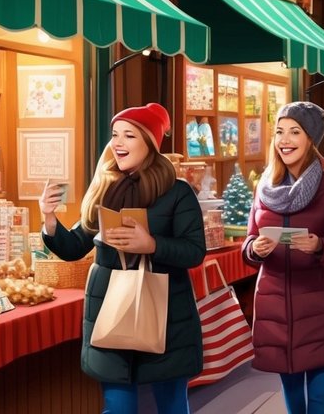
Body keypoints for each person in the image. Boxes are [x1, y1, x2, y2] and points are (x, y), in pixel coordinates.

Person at [39, 103, 205, 414]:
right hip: (109, 310)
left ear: (149, 143)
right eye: (115, 135)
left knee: (172, 406)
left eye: (129, 135)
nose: (118, 143)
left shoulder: (178, 192)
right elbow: (75, 246)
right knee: (118, 408)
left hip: (166, 316)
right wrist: (49, 219)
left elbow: (195, 251)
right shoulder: (104, 188)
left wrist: (151, 244)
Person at [243, 102, 324, 414]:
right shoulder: (263, 189)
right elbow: (249, 242)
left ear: (310, 139)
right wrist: (255, 250)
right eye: (280, 131)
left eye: (295, 131)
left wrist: (321, 246)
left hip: (321, 305)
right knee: (292, 391)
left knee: (319, 392)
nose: (285, 139)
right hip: (274, 304)